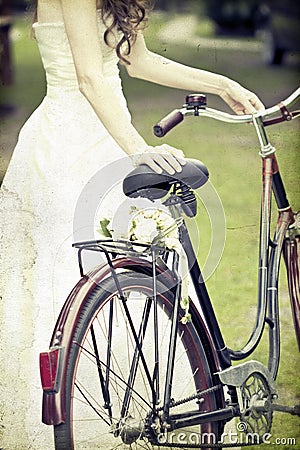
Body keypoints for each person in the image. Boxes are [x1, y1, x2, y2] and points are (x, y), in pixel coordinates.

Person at [0, 0, 264, 448]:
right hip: (68, 144)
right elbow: (87, 78)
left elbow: (136, 60)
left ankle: (150, 413)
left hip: (109, 132)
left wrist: (222, 83)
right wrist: (137, 149)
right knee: (69, 280)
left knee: (143, 280)